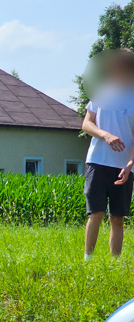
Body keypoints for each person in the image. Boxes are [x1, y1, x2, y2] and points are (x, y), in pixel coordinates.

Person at [82, 49, 134, 260]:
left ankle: (115, 264)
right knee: (96, 213)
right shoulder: (101, 93)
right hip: (98, 160)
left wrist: (130, 164)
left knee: (117, 218)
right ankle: (88, 261)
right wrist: (105, 135)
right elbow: (86, 123)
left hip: (124, 166)